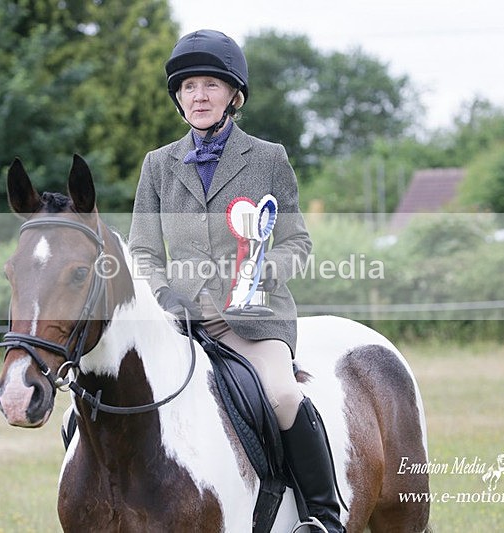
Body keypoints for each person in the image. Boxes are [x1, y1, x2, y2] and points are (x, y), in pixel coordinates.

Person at [128, 29, 344, 532]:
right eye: (187, 88)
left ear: (233, 95)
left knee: (283, 395)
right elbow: (141, 249)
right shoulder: (157, 165)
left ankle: (323, 517)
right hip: (181, 324)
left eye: (209, 85)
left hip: (252, 323)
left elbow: (298, 243)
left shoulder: (268, 158)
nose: (197, 96)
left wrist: (257, 274)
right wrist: (165, 294)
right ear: (178, 98)